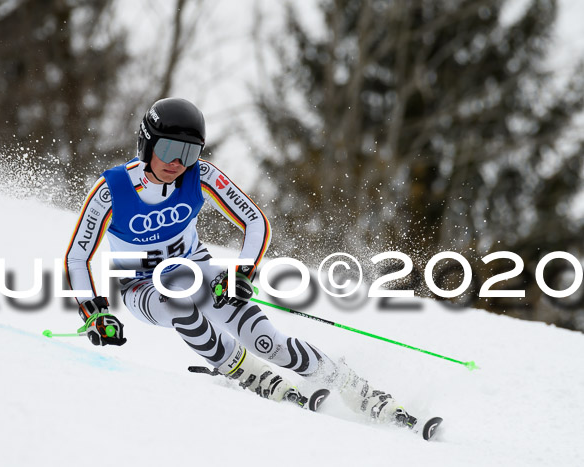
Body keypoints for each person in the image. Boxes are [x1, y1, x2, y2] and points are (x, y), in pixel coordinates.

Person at [64, 97, 417, 427]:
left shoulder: (199, 175)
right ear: (147, 143)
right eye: (169, 149)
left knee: (269, 342)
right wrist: (93, 312)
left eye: (189, 153)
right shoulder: (112, 190)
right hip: (141, 286)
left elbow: (256, 222)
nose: (177, 163)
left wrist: (242, 272)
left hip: (197, 269)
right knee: (178, 304)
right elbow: (77, 256)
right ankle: (245, 371)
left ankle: (353, 387)